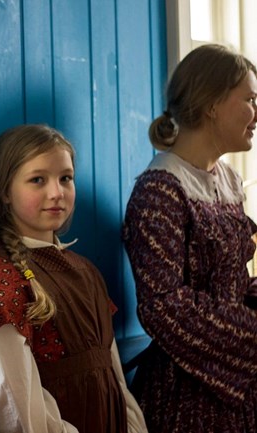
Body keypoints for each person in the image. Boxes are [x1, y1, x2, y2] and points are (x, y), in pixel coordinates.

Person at [0, 124, 147, 433]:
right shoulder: (3, 278)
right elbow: (16, 401)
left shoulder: (85, 270)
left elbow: (114, 376)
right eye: (37, 180)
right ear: (4, 191)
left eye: (65, 178)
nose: (56, 193)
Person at [122, 43, 257, 433]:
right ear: (212, 104)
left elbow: (229, 285)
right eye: (249, 99)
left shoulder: (227, 179)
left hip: (240, 382)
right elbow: (164, 308)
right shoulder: (159, 190)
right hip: (190, 392)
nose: (256, 112)